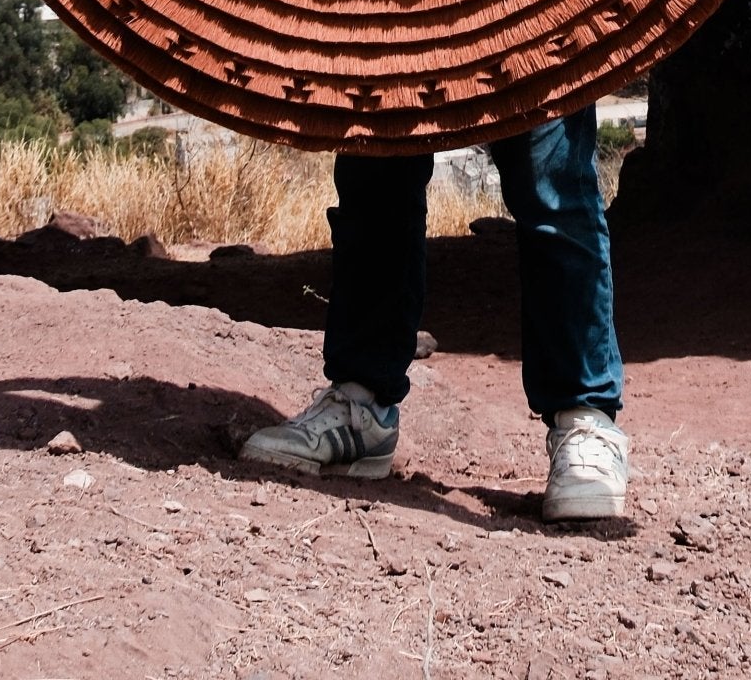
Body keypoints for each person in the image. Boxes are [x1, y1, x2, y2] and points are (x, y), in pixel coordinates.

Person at [240, 106, 629, 519]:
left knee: (553, 174)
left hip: (527, 41)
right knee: (376, 153)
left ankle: (584, 420)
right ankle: (361, 410)